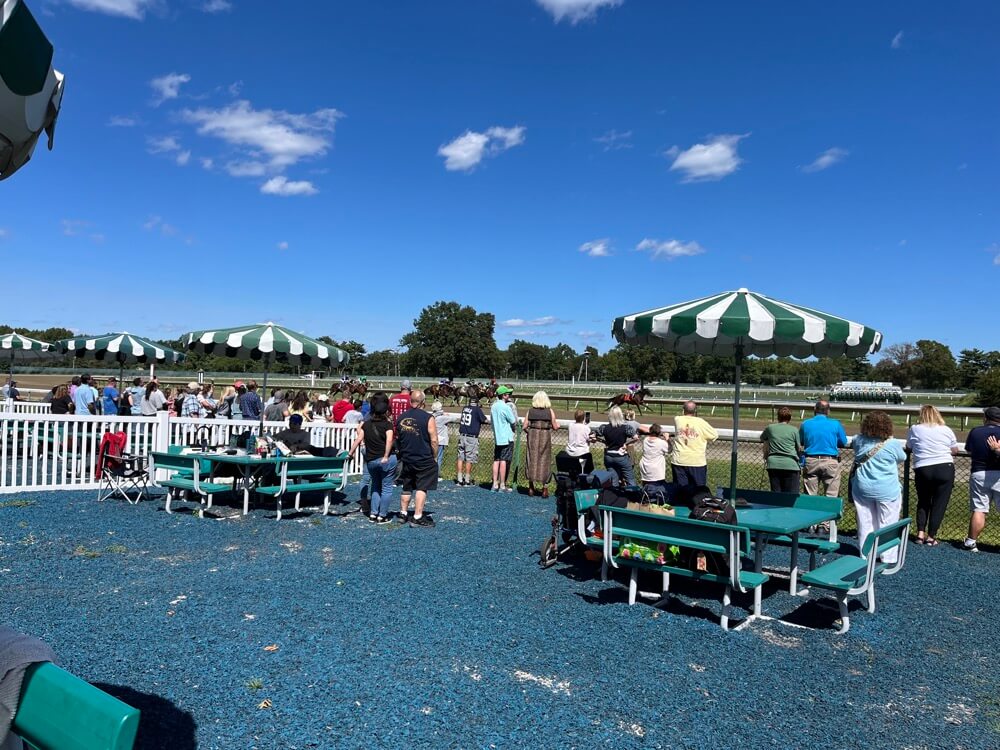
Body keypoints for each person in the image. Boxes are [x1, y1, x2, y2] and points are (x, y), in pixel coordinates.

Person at [849, 411, 906, 563]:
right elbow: (902, 458)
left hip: (862, 487)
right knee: (888, 521)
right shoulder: (892, 444)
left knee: (865, 519)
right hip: (887, 488)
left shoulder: (858, 440)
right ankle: (887, 555)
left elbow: (854, 445)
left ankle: (866, 552)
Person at [905, 405, 960, 546]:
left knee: (923, 501)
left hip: (923, 468)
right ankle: (932, 536)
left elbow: (909, 447)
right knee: (939, 504)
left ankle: (920, 533)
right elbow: (955, 450)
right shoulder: (946, 429)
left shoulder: (914, 429)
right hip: (944, 468)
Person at [395, 389, 438, 527]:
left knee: (406, 486)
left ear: (410, 401)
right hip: (423, 458)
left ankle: (403, 513)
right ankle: (418, 516)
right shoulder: (428, 418)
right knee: (421, 487)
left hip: (407, 457)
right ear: (423, 402)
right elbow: (434, 440)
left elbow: (398, 439)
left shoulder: (401, 417)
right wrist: (435, 456)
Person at [350, 394, 395, 523]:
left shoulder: (366, 424)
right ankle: (382, 515)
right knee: (386, 488)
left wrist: (350, 453)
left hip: (371, 460)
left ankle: (373, 513)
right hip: (384, 459)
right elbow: (389, 440)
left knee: (375, 487)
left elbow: (358, 439)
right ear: (386, 411)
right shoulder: (388, 425)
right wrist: (386, 456)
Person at [962, 406, 1000, 552]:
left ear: (986, 418)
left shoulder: (976, 431)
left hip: (979, 473)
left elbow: (969, 450)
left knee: (979, 509)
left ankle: (971, 541)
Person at [799, 400, 848, 497]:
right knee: (831, 496)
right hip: (830, 461)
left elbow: (801, 440)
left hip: (811, 461)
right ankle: (830, 512)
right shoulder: (836, 423)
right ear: (828, 411)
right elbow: (843, 442)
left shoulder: (806, 423)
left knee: (810, 496)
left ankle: (809, 511)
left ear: (815, 410)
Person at [671, 401, 718, 488]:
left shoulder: (677, 419)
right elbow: (714, 435)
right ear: (695, 411)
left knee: (681, 490)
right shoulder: (700, 422)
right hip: (696, 461)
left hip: (679, 460)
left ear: (683, 410)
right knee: (698, 490)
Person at [523, 391, 559, 497]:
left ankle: (531, 487)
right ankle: (545, 488)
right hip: (545, 435)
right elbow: (555, 426)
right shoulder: (549, 411)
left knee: (531, 459)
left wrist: (529, 432)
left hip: (533, 435)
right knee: (545, 460)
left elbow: (524, 426)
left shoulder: (530, 411)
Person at [592, 405, 640, 486]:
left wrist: (603, 441)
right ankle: (633, 496)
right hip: (621, 456)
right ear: (621, 415)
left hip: (609, 457)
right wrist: (626, 444)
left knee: (614, 481)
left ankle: (614, 496)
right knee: (630, 479)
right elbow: (636, 438)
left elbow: (592, 436)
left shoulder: (604, 427)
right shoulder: (626, 427)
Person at [761, 407, 803, 493]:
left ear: (778, 417)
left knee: (776, 494)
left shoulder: (770, 428)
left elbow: (763, 438)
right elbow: (799, 448)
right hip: (790, 465)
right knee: (791, 495)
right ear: (790, 418)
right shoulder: (794, 430)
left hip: (773, 464)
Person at [456, 397, 490, 486]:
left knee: (460, 457)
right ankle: (467, 480)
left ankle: (459, 479)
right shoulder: (477, 410)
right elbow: (484, 419)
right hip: (471, 437)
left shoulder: (465, 408)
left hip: (462, 435)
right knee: (469, 459)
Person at [490, 385, 517, 492]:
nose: (509, 395)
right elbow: (513, 421)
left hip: (497, 436)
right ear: (504, 395)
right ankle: (502, 485)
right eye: (507, 394)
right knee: (504, 461)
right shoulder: (506, 407)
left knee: (496, 460)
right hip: (506, 437)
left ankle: (494, 484)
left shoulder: (493, 406)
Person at [559, 409, 595, 475]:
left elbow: (577, 426)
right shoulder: (586, 428)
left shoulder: (570, 425)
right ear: (584, 418)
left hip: (570, 452)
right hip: (582, 454)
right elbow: (591, 439)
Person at [638, 423, 671, 493]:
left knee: (646, 484)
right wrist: (667, 439)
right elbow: (669, 450)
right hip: (656, 468)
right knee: (658, 487)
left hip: (645, 465)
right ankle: (655, 498)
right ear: (659, 433)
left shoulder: (645, 440)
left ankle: (646, 497)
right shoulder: (661, 443)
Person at [431, 401, 459, 471]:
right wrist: (446, 414)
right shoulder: (442, 418)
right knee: (439, 458)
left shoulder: (432, 416)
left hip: (432, 439)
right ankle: (436, 475)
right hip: (440, 440)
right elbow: (454, 418)